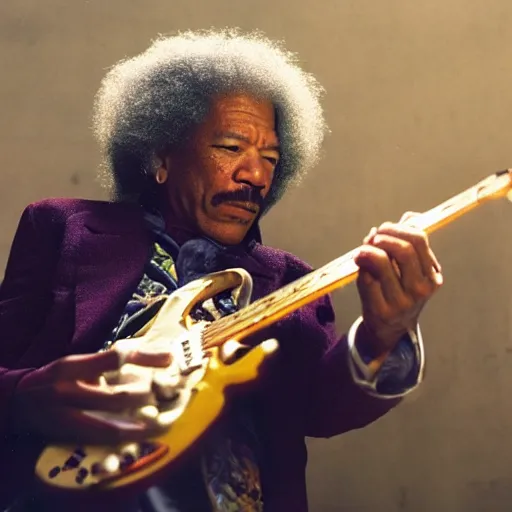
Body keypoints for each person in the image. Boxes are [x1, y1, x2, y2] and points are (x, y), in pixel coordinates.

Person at [0, 29, 443, 512]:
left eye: (271, 158)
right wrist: (28, 394)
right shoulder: (62, 227)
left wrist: (383, 335)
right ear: (161, 156)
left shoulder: (290, 279)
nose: (256, 175)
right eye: (232, 148)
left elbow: (320, 405)